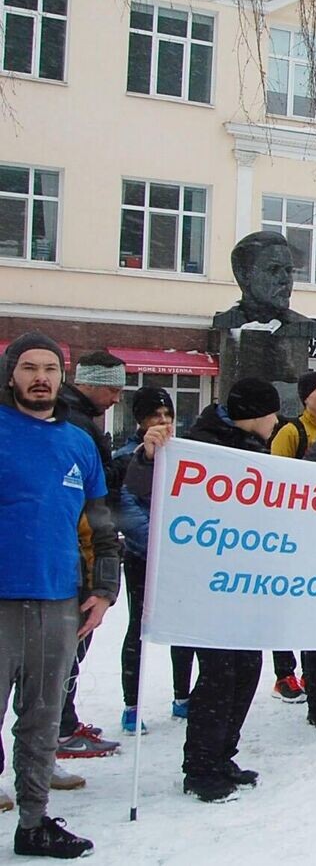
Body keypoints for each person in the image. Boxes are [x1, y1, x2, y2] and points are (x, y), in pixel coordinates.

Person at [127, 378, 279, 802]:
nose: (277, 421)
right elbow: (141, 485)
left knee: (247, 668)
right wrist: (148, 455)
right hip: (211, 583)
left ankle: (222, 754)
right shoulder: (200, 444)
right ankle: (200, 765)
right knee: (219, 674)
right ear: (255, 415)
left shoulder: (251, 445)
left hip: (248, 579)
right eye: (272, 413)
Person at [0, 333, 119, 857]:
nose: (40, 377)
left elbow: (99, 522)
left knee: (42, 719)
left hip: (57, 602)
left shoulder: (78, 442)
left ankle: (33, 821)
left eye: (50, 368)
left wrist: (104, 588)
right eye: (29, 367)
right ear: (12, 375)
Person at [55, 351, 126, 762]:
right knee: (67, 651)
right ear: (91, 383)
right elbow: (95, 493)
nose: (117, 398)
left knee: (66, 652)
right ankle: (61, 731)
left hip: (79, 550)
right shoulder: (76, 423)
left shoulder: (79, 418)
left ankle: (60, 727)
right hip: (76, 553)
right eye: (113, 388)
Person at [113, 387, 195, 735]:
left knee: (184, 627)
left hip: (179, 557)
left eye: (167, 416)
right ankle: (131, 705)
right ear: (140, 420)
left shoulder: (185, 454)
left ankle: (182, 695)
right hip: (142, 556)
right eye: (155, 416)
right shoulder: (125, 457)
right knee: (139, 628)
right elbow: (126, 510)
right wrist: (159, 545)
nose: (163, 422)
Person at [268, 371, 316, 704]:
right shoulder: (291, 431)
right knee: (286, 603)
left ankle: (312, 668)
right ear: (305, 396)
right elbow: (279, 478)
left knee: (313, 602)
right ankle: (284, 674)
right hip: (292, 528)